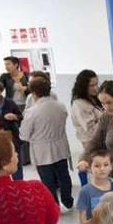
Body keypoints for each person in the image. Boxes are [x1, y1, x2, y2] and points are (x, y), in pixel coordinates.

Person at [19, 77, 74, 211]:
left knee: (47, 181)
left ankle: (53, 206)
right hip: (60, 146)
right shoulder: (60, 106)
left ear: (33, 93)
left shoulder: (32, 111)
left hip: (42, 150)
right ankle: (68, 202)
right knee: (64, 176)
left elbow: (24, 135)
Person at [70, 69, 105, 186]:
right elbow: (91, 131)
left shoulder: (94, 99)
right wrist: (106, 119)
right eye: (92, 85)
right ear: (83, 86)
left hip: (102, 143)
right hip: (92, 143)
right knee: (96, 175)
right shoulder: (79, 104)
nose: (96, 88)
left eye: (96, 84)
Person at [75, 149, 113, 223]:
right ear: (89, 168)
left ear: (111, 166)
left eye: (106, 165)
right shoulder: (85, 191)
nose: (102, 169)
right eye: (97, 166)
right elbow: (82, 220)